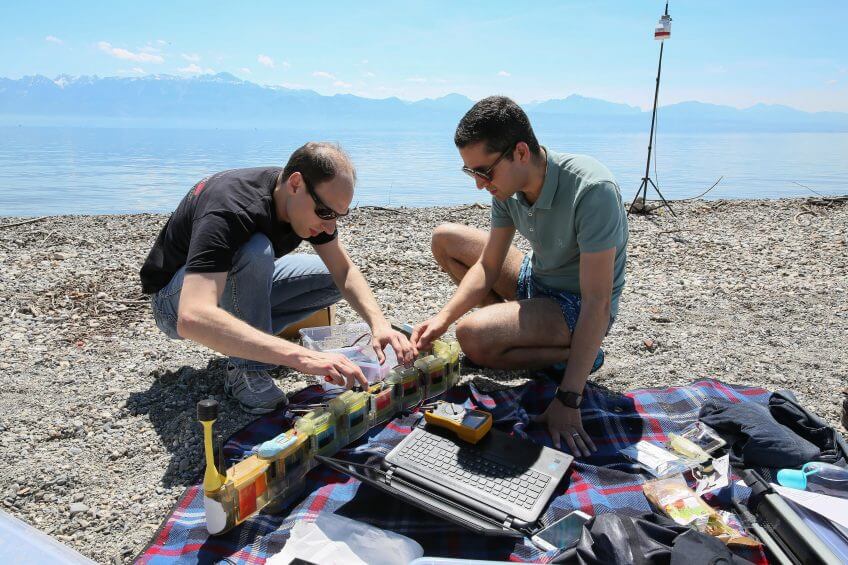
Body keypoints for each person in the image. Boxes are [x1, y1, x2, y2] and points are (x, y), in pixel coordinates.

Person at [412, 96, 628, 456]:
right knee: (445, 239)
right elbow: (487, 266)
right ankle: (512, 332)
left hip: (576, 304)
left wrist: (570, 398)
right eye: (471, 172)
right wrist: (441, 319)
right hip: (535, 277)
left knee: (471, 337)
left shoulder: (592, 191)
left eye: (484, 172)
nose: (480, 185)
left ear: (521, 152)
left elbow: (597, 300)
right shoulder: (506, 187)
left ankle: (579, 354)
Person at [140, 142, 415, 414]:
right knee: (256, 250)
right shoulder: (231, 208)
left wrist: (379, 325)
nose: (329, 226)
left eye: (338, 216)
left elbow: (344, 271)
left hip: (228, 285)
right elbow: (193, 317)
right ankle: (248, 369)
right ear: (296, 184)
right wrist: (304, 358)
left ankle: (255, 340)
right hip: (173, 303)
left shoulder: (298, 197)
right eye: (325, 213)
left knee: (332, 280)